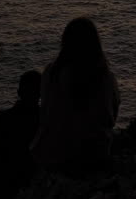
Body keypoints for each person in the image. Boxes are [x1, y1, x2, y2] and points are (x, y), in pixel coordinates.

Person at [31, 18, 121, 177]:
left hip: (51, 155)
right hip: (92, 158)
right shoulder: (105, 78)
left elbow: (45, 111)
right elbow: (110, 117)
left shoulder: (50, 74)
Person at [0, 70, 41, 198]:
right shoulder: (43, 120)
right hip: (26, 183)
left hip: (0, 185)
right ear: (40, 93)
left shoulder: (0, 119)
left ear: (19, 92)